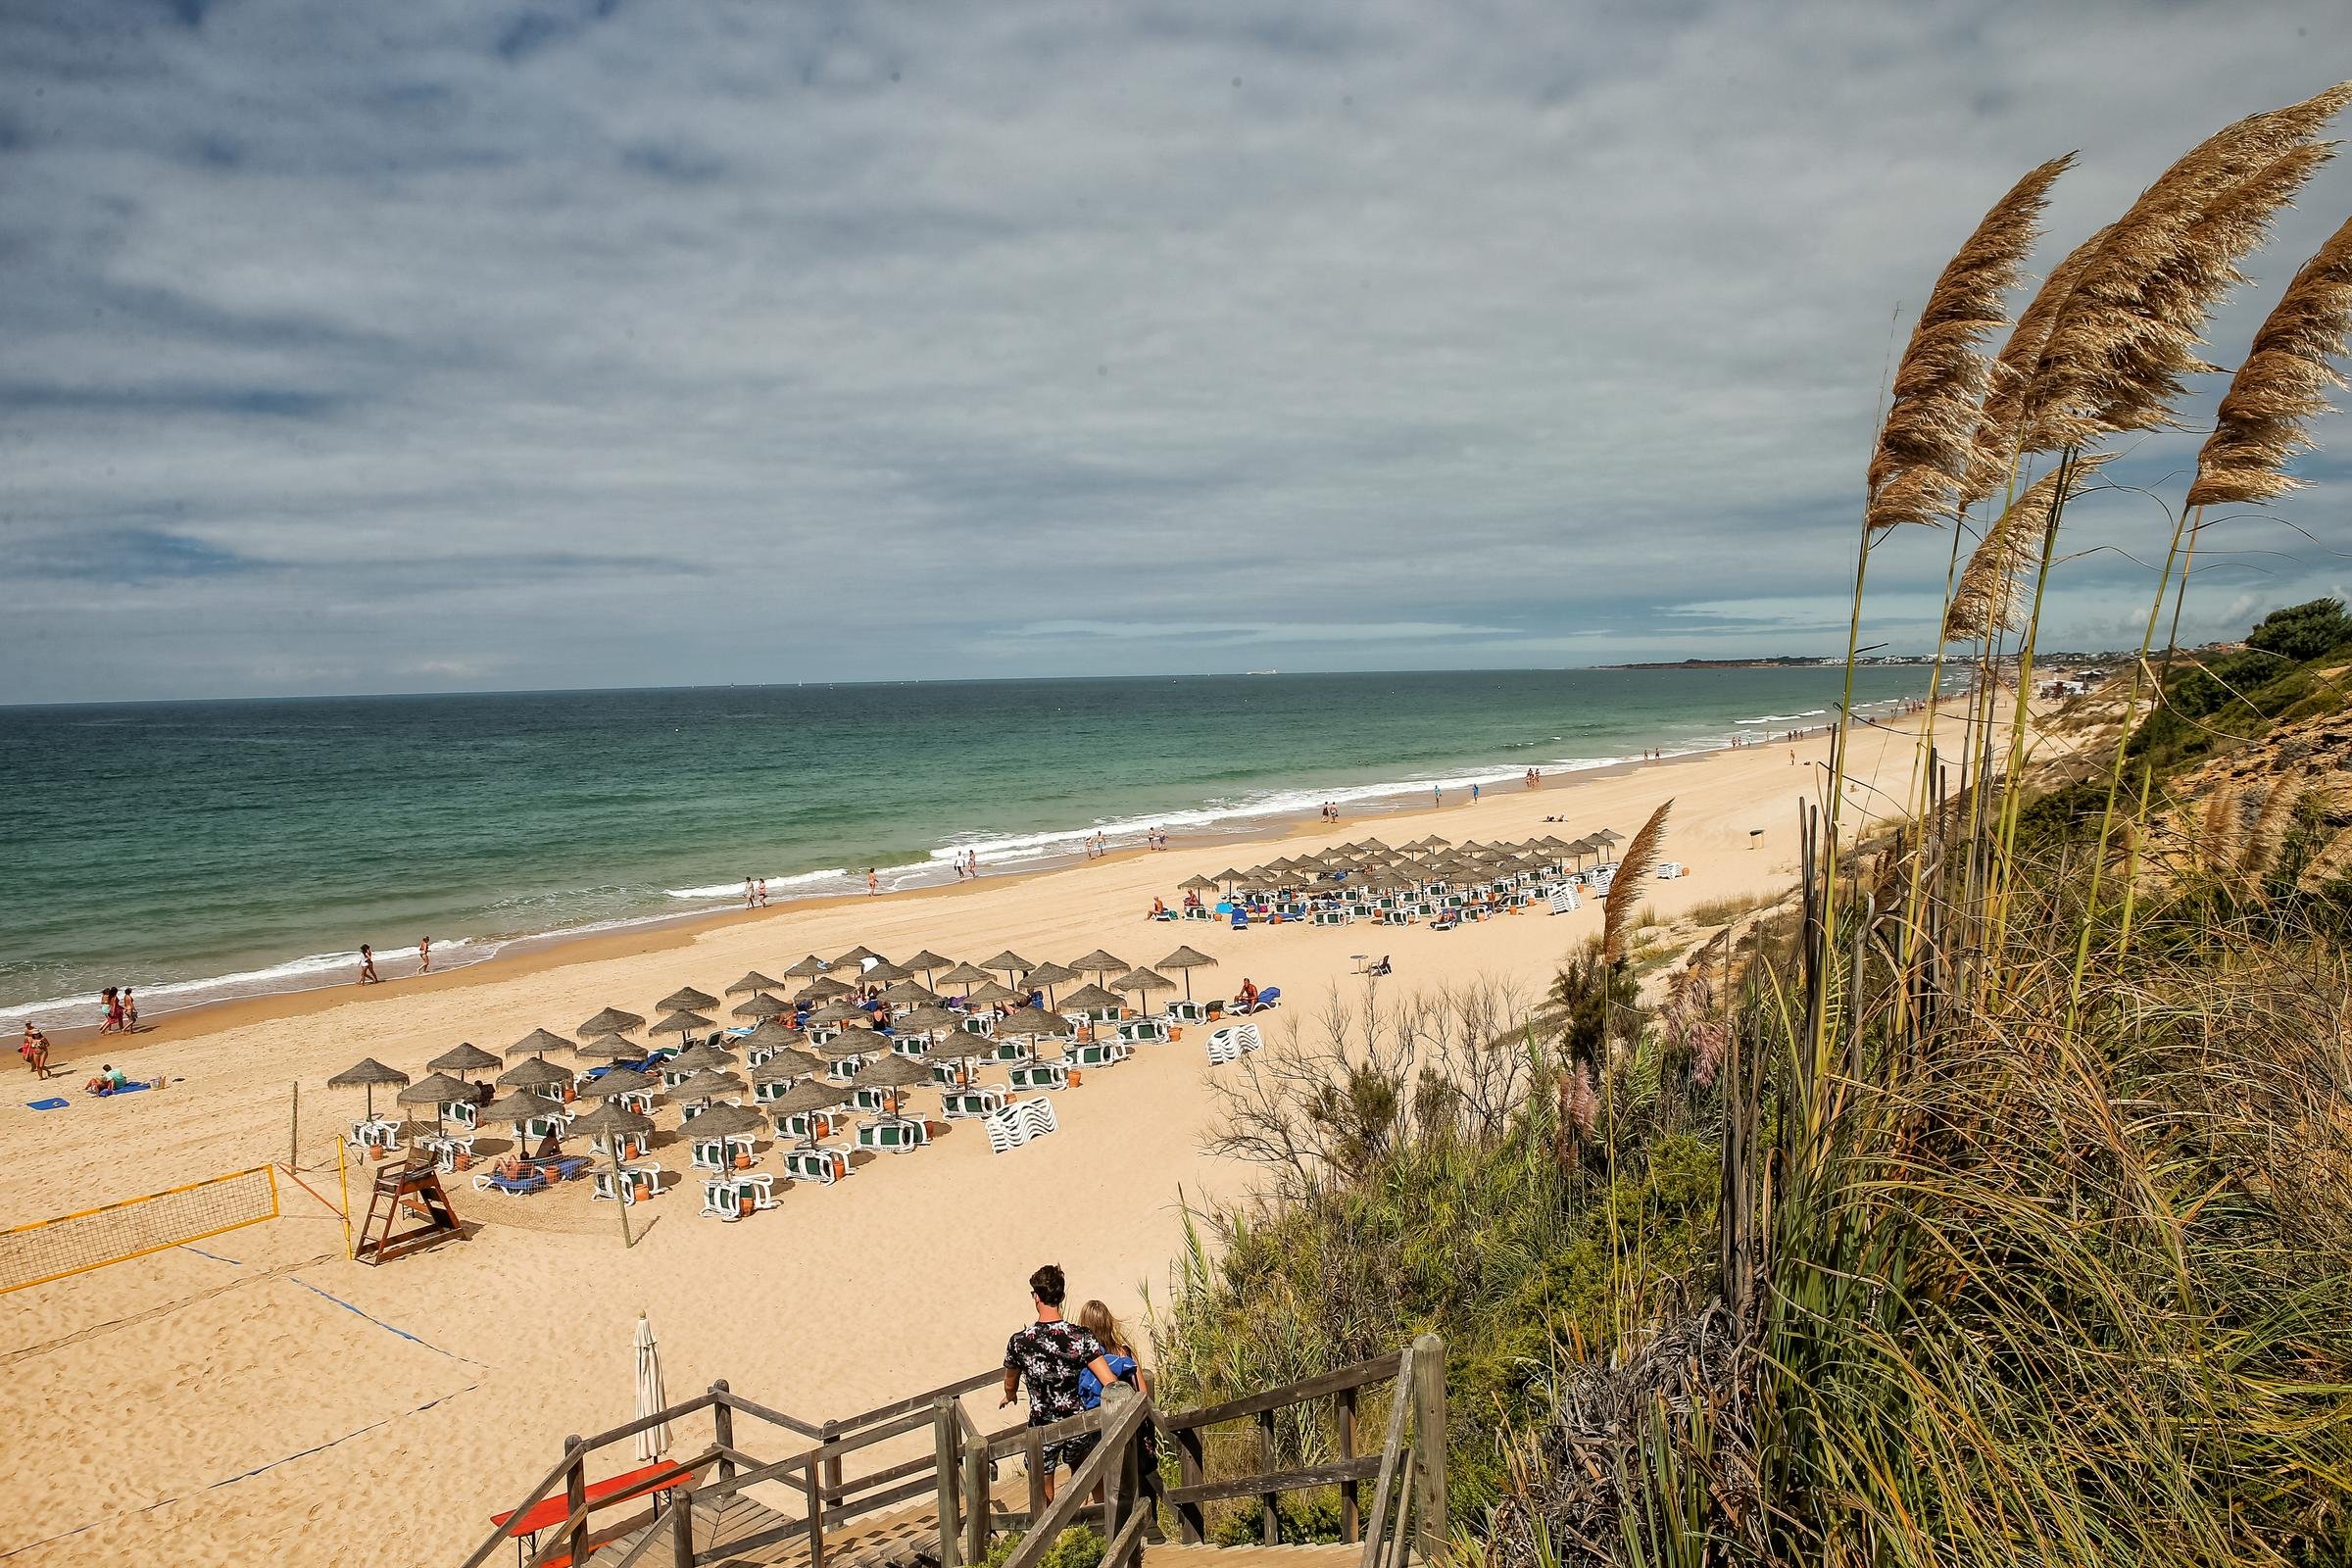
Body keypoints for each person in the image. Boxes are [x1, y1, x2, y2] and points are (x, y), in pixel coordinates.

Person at [1002, 1264, 1117, 1500]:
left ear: (1036, 1297)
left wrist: (1010, 1395)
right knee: (1087, 1477)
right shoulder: (1081, 1336)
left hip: (1041, 1426)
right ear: (1062, 1297)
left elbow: (1010, 1382)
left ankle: (1049, 1524)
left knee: (1043, 1493)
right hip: (1078, 1422)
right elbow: (1109, 1381)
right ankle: (1097, 1520)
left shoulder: (1020, 1342)